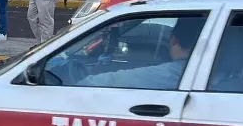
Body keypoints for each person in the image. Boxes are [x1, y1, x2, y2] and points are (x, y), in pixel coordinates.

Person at [76, 18, 204, 89]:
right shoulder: (215, 74)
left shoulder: (176, 74)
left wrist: (83, 79)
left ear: (174, 41)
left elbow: (104, 82)